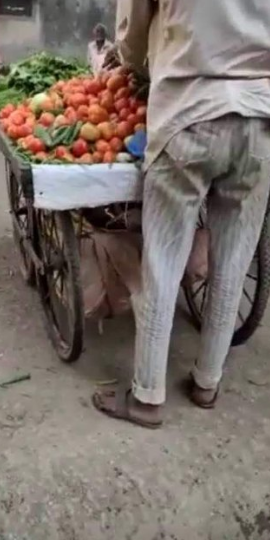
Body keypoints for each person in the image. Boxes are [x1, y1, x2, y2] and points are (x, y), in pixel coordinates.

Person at [92, 0, 270, 428]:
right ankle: (207, 382)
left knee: (163, 261)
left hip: (189, 112)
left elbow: (132, 41)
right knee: (232, 263)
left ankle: (147, 398)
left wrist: (143, 59)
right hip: (261, 119)